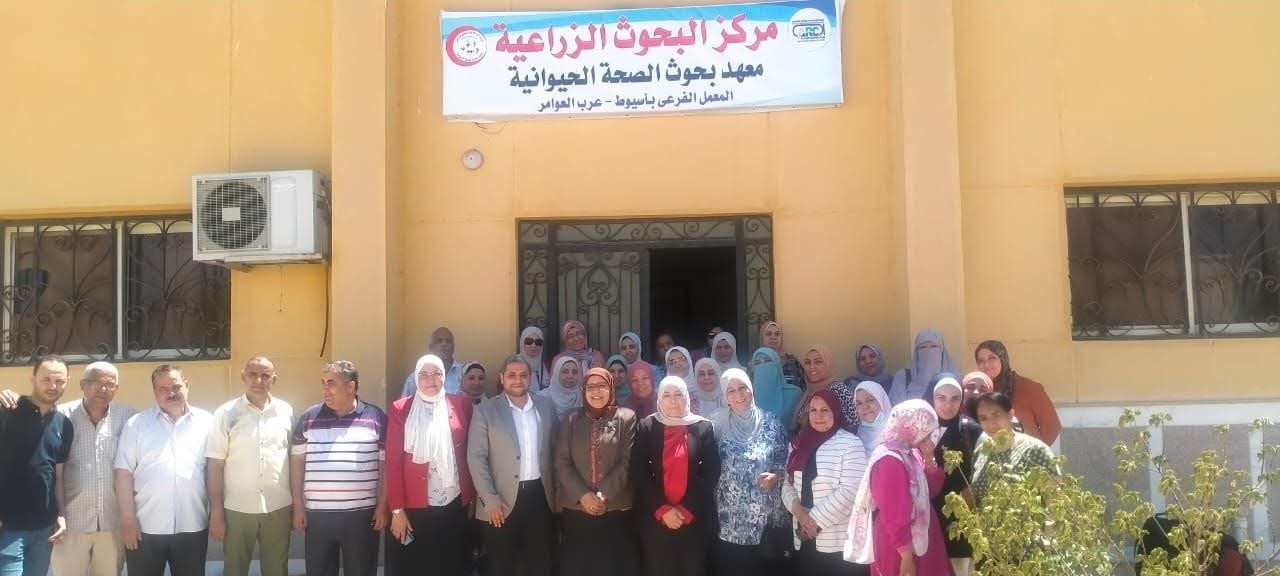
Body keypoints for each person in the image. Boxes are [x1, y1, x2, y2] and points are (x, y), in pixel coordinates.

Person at [114, 365, 214, 576]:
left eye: (176, 386)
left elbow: (214, 471)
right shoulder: (137, 424)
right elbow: (123, 474)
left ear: (187, 386)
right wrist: (127, 519)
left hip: (193, 524)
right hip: (145, 527)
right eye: (163, 389)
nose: (171, 393)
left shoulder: (207, 422)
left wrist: (217, 512)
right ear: (155, 392)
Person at [290, 361, 388, 576]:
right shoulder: (309, 417)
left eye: (331, 383)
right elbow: (296, 464)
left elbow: (385, 466)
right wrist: (298, 506)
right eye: (323, 383)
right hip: (318, 515)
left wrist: (382, 505)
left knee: (361, 571)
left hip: (361, 516)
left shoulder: (376, 417)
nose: (325, 389)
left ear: (351, 386)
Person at [467, 355, 558, 576]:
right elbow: (476, 458)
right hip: (500, 500)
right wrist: (490, 500)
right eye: (512, 375)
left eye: (523, 375)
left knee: (539, 562)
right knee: (501, 564)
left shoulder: (545, 406)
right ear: (502, 378)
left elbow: (555, 450)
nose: (518, 380)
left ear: (530, 377)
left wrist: (557, 495)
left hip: (539, 496)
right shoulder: (486, 409)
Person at [387, 355, 475, 576]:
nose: (431, 379)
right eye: (424, 375)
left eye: (436, 373)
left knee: (452, 563)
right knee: (418, 564)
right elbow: (393, 463)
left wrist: (472, 497)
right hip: (415, 506)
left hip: (454, 503)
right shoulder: (401, 408)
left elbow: (470, 453)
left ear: (444, 376)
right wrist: (397, 510)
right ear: (416, 379)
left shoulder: (461, 404)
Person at [206, 357, 295, 576]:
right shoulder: (225, 413)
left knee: (277, 569)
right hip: (237, 508)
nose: (259, 381)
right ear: (243, 377)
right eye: (253, 374)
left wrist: (297, 505)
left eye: (265, 376)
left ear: (274, 379)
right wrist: (216, 511)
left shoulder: (286, 411)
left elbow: (293, 459)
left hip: (278, 505)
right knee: (234, 569)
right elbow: (215, 465)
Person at [846, 400, 953, 576]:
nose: (929, 437)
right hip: (899, 547)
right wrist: (906, 558)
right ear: (910, 426)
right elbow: (894, 513)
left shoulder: (910, 452)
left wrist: (929, 458)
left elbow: (930, 491)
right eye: (926, 430)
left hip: (919, 540)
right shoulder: (889, 460)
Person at [53, 361, 137, 576]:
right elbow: (51, 469)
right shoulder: (60, 416)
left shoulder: (129, 418)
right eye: (96, 383)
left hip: (112, 522)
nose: (103, 389)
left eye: (110, 384)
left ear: (117, 388)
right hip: (70, 523)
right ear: (83, 384)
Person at [631, 376, 720, 576]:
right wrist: (662, 509)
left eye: (678, 394)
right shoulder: (647, 426)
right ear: (659, 399)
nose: (673, 400)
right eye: (667, 395)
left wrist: (684, 508)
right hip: (655, 520)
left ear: (687, 397)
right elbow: (638, 471)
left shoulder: (703, 427)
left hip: (694, 519)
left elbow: (711, 471)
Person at [554, 367, 639, 576]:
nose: (596, 391)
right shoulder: (572, 419)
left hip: (615, 507)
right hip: (577, 508)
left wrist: (602, 494)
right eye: (590, 387)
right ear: (583, 390)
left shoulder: (626, 418)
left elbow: (627, 462)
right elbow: (562, 461)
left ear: (611, 388)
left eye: (601, 385)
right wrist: (583, 495)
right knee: (579, 565)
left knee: (612, 565)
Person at [0, 355, 74, 576]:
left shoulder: (64, 424)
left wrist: (61, 515)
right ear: (33, 379)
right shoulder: (7, 410)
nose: (53, 386)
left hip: (44, 528)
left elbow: (57, 476)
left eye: (59, 381)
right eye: (46, 379)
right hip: (8, 527)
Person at [710, 368, 788, 576]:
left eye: (743, 387)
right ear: (725, 396)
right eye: (731, 391)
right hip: (731, 522)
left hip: (766, 522)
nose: (739, 395)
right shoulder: (716, 424)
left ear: (751, 388)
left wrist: (776, 476)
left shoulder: (772, 424)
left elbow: (785, 459)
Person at [780, 390, 867, 576]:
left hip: (836, 542)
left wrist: (812, 521)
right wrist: (798, 511)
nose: (818, 416)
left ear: (835, 411)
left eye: (825, 410)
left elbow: (850, 491)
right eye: (813, 410)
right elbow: (787, 483)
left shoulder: (851, 444)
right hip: (804, 538)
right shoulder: (797, 444)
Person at [927, 374, 981, 576]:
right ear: (931, 398)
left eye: (955, 398)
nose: (948, 405)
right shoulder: (920, 429)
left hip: (958, 523)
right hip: (927, 520)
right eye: (941, 398)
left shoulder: (971, 429)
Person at [970, 392, 1059, 507]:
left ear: (1010, 415)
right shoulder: (981, 453)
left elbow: (1055, 503)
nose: (990, 423)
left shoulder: (1035, 450)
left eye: (996, 415)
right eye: (983, 418)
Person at [974, 340, 1062, 445]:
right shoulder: (977, 391)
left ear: (1003, 359)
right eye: (981, 361)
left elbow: (1052, 427)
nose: (986, 364)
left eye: (992, 358)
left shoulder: (1028, 388)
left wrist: (1036, 451)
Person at [889, 329, 958, 406]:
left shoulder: (953, 379)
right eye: (923, 347)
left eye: (934, 346)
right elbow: (897, 407)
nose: (929, 352)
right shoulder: (903, 377)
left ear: (942, 351)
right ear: (916, 352)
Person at [402, 327, 465, 397]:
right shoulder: (415, 378)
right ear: (431, 347)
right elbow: (405, 402)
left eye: (448, 341)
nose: (444, 344)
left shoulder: (464, 374)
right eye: (439, 341)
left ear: (453, 348)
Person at [749, 347, 803, 426]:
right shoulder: (749, 397)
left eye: (768, 361)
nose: (763, 366)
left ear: (777, 365)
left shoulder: (794, 393)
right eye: (757, 363)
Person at [791, 346, 839, 434]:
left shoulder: (838, 390)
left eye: (818, 362)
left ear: (828, 364)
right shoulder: (807, 392)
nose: (812, 367)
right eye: (808, 362)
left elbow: (850, 425)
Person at [759, 321, 805, 389]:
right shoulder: (755, 364)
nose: (773, 337)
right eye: (768, 334)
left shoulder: (793, 362)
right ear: (762, 338)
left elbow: (803, 388)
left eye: (777, 334)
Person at [853, 381, 891, 456]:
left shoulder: (897, 432)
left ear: (881, 400)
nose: (865, 406)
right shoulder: (856, 440)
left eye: (870, 400)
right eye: (859, 403)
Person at [541, 356, 583, 421]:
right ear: (556, 373)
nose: (570, 376)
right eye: (565, 372)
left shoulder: (582, 396)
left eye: (574, 372)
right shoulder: (542, 398)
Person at [519, 326, 552, 391]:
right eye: (529, 341)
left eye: (538, 342)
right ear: (522, 343)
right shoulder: (513, 364)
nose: (534, 345)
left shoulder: (547, 366)